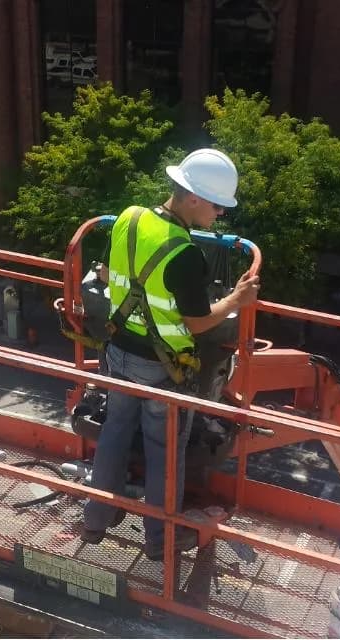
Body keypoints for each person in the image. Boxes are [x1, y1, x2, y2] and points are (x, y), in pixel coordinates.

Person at [80, 148, 260, 561]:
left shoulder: (129, 217)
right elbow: (197, 323)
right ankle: (160, 540)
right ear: (193, 198)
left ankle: (96, 518)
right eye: (217, 205)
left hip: (118, 353)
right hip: (160, 370)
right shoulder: (185, 254)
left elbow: (108, 274)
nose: (220, 215)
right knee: (165, 453)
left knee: (114, 432)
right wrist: (236, 298)